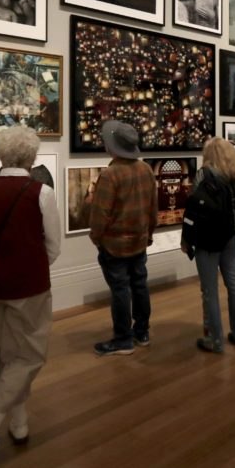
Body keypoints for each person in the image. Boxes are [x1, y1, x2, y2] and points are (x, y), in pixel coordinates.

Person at [0, 127, 61, 468]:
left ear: (0, 154)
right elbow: (53, 247)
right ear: (32, 156)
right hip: (28, 287)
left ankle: (18, 422)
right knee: (26, 355)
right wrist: (29, 265)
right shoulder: (41, 192)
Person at [87, 120, 158, 356]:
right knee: (140, 285)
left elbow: (100, 214)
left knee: (120, 290)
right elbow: (153, 208)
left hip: (114, 246)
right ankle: (142, 332)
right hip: (139, 241)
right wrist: (149, 233)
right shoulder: (146, 170)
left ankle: (123, 339)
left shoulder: (110, 175)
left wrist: (96, 237)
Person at [180, 137, 235, 353]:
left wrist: (187, 239)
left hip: (207, 238)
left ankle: (214, 339)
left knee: (209, 289)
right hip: (231, 234)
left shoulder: (203, 175)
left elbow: (194, 209)